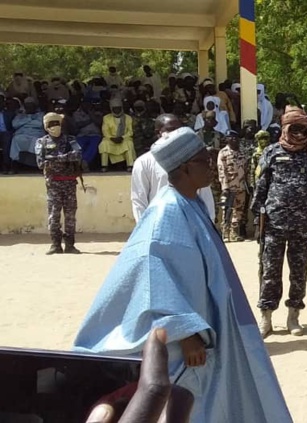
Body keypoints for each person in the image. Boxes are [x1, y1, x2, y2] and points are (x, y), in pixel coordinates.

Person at [74, 127, 293, 423]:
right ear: (187, 167)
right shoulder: (165, 212)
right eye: (206, 160)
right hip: (188, 340)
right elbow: (152, 277)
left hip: (209, 320)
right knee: (191, 402)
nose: (212, 165)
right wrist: (185, 333)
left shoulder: (193, 204)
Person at [253, 107, 307, 337]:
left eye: (303, 129)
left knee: (299, 272)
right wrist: (257, 220)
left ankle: (293, 316)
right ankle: (266, 317)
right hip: (273, 224)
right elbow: (261, 187)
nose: (298, 133)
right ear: (285, 128)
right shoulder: (271, 152)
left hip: (302, 225)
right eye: (294, 128)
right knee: (270, 272)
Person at [130, 114, 215, 222]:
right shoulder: (143, 162)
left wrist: (210, 221)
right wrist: (144, 227)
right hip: (159, 222)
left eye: (179, 130)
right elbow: (139, 199)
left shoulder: (193, 158)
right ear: (158, 133)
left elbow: (205, 194)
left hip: (193, 222)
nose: (176, 134)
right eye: (171, 130)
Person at [35, 112, 82, 255]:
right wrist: (65, 158)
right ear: (46, 127)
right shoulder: (41, 142)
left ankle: (70, 245)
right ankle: (55, 244)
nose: (55, 127)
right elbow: (41, 162)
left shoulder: (70, 140)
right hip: (53, 185)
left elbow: (78, 154)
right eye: (51, 124)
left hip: (69, 183)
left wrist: (55, 158)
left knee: (70, 216)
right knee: (53, 216)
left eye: (57, 123)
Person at [217, 132, 248, 242]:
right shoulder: (223, 153)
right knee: (227, 210)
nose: (234, 140)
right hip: (229, 186)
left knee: (238, 211)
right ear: (227, 139)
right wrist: (224, 187)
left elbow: (246, 169)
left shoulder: (241, 152)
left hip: (241, 187)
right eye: (232, 138)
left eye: (236, 138)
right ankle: (225, 234)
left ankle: (234, 233)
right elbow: (222, 171)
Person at [99, 97, 135, 171]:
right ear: (112, 109)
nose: (117, 110)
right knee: (104, 144)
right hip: (111, 139)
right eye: (115, 108)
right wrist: (112, 138)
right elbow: (105, 131)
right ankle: (104, 166)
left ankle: (130, 165)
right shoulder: (106, 118)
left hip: (124, 138)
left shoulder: (128, 118)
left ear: (121, 108)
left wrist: (122, 137)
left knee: (129, 144)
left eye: (119, 108)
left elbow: (130, 132)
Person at [10, 97, 46, 169]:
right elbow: (15, 124)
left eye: (31, 106)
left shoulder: (41, 115)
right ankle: (14, 163)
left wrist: (24, 123)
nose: (29, 108)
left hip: (36, 134)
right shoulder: (20, 115)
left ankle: (37, 165)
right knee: (15, 139)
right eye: (27, 106)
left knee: (37, 141)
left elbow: (40, 124)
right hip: (21, 134)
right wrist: (30, 119)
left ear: (35, 106)